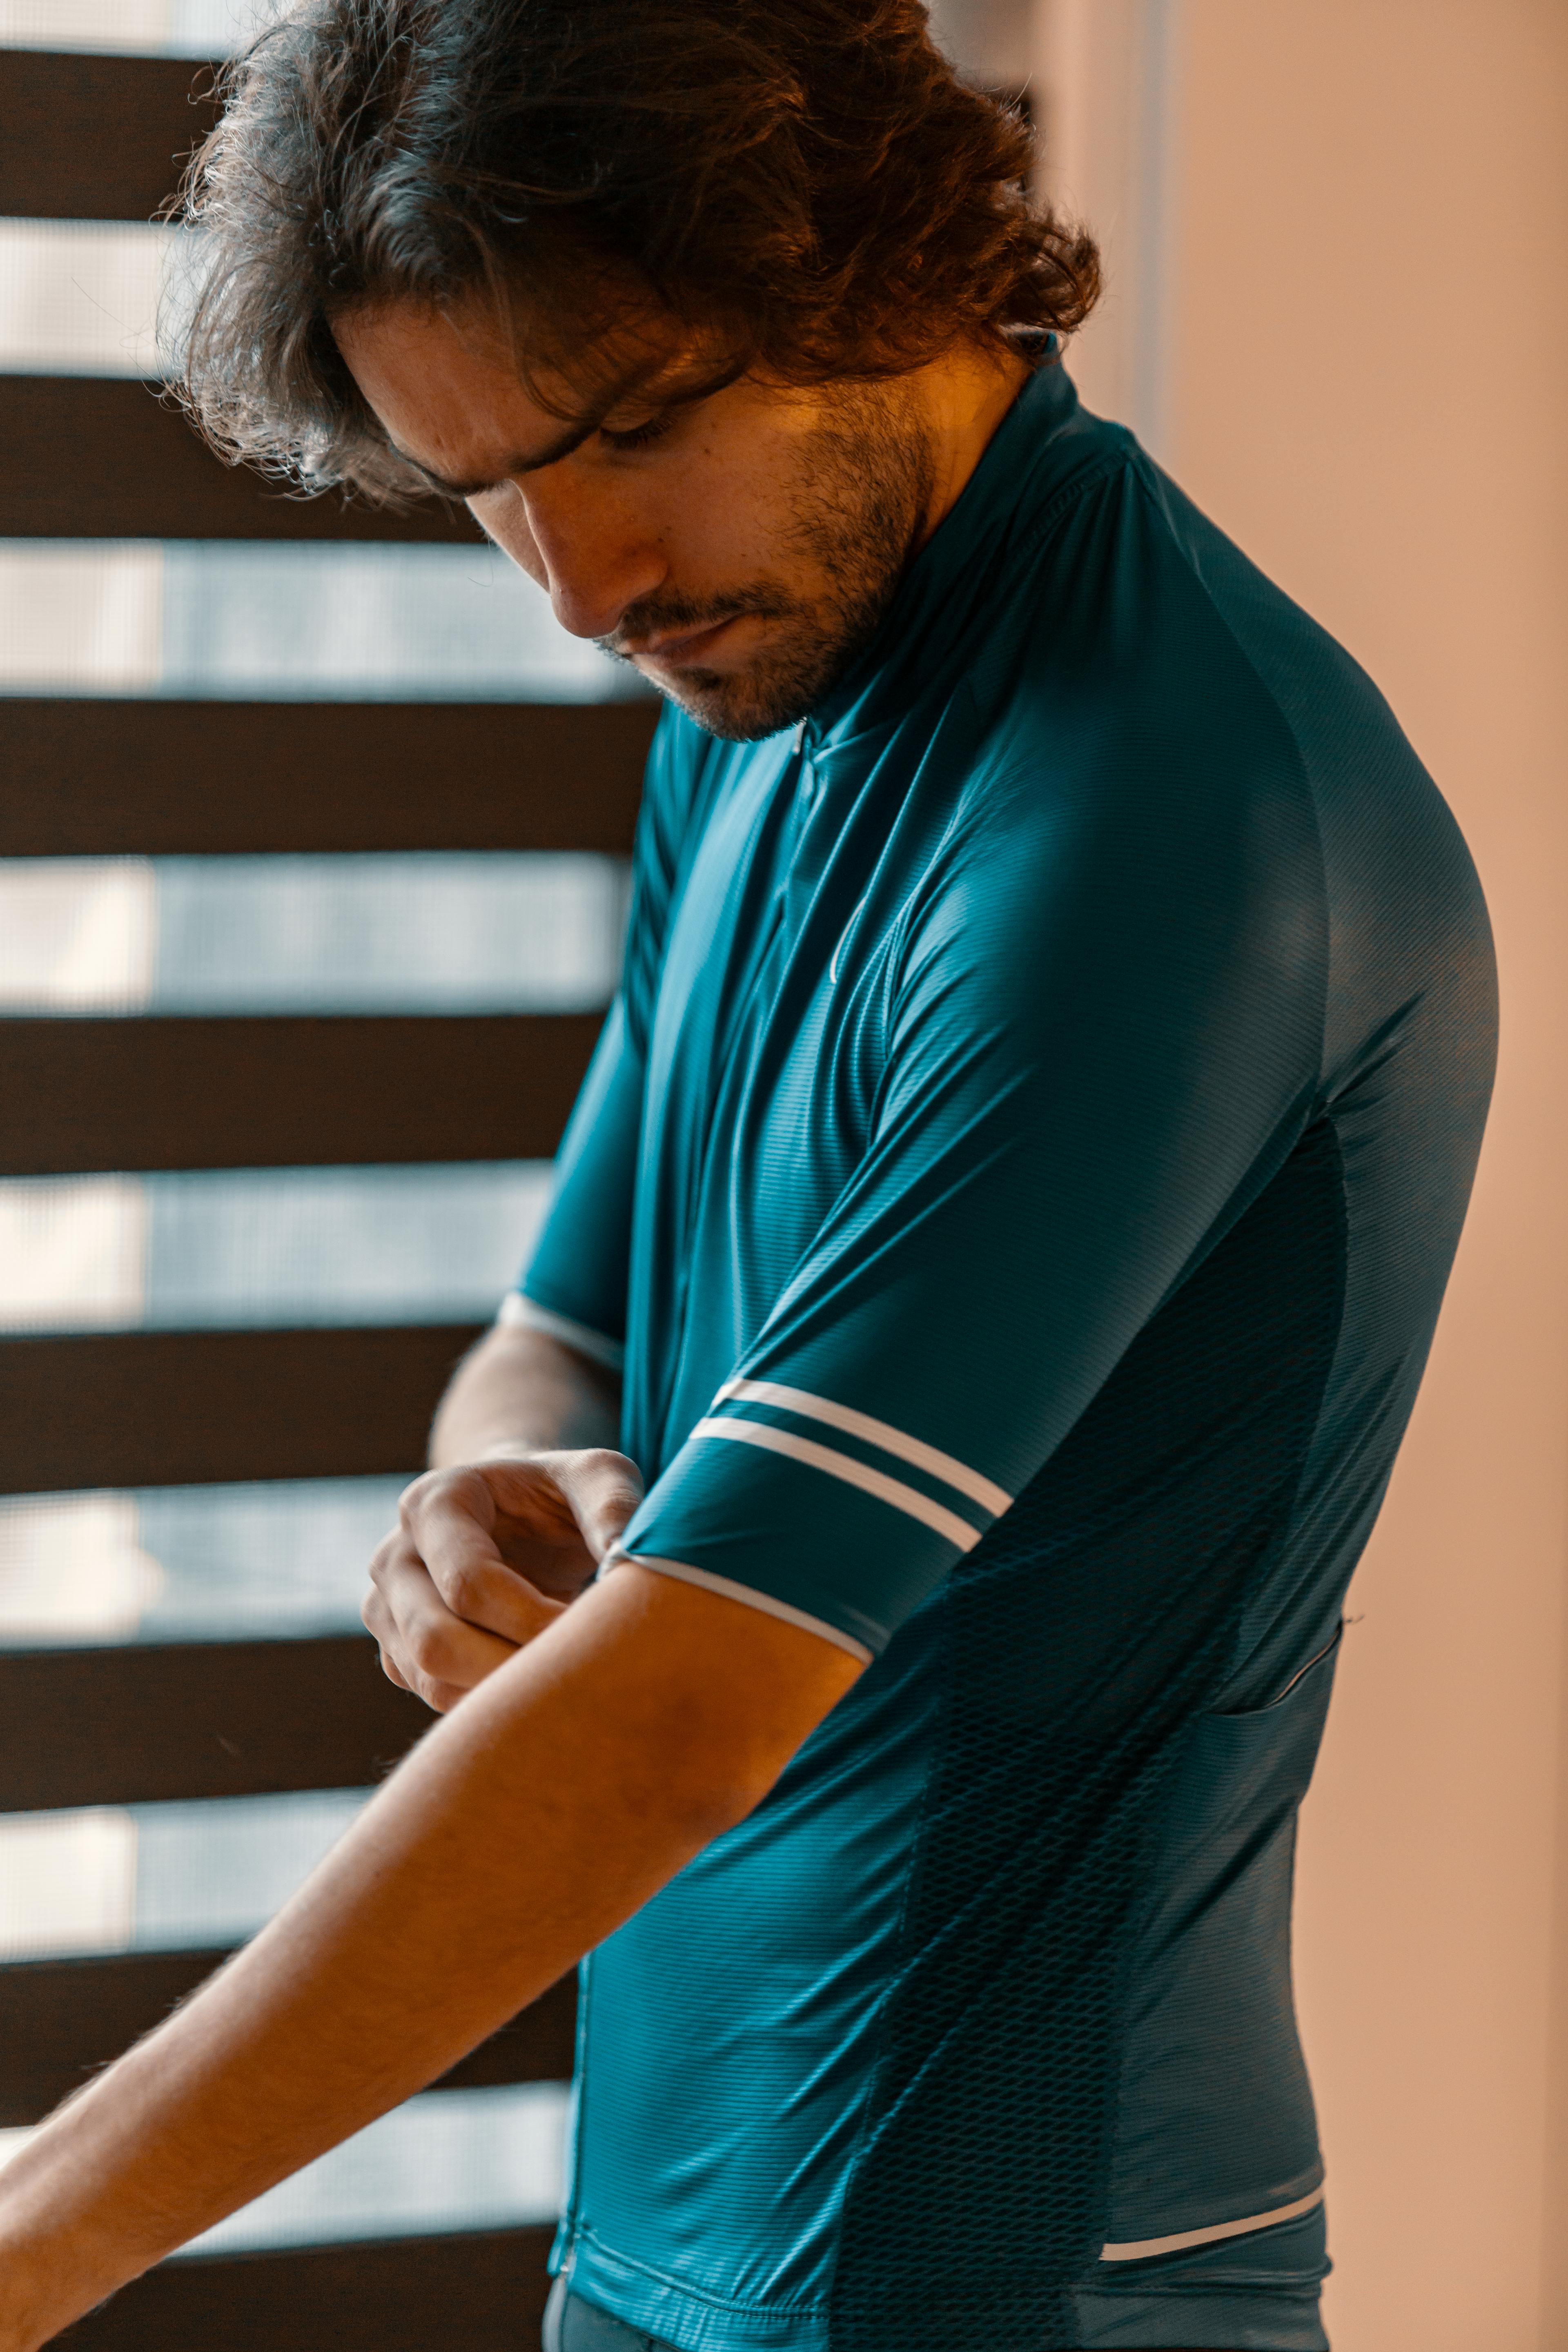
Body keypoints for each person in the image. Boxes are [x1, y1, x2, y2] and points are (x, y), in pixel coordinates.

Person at [0, 3, 1497, 2348]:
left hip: (1027, 2283)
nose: (578, 585)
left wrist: (29, 2236)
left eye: (628, 431)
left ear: (867, 257)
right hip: (658, 2243)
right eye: (488, 486)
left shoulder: (1168, 820)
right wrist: (483, 1495)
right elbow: (566, 1335)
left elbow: (680, 1712)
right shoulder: (763, 687)